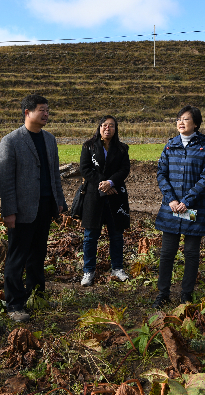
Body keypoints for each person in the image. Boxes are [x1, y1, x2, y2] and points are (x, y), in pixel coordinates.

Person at [0, 94, 66, 322]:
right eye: (41, 110)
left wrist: (59, 200)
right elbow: (6, 180)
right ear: (27, 112)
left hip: (44, 206)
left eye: (47, 110)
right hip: (22, 210)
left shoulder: (49, 139)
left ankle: (37, 296)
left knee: (38, 255)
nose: (46, 114)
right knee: (17, 257)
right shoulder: (11, 141)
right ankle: (14, 303)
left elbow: (54, 173)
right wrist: (9, 211)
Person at [154, 106, 205, 308]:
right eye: (179, 119)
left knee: (191, 253)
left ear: (196, 124)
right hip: (172, 207)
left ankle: (186, 294)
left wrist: (186, 201)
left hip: (193, 208)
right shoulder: (170, 146)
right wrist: (171, 200)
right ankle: (163, 293)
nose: (181, 122)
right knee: (167, 252)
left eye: (186, 119)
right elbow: (161, 173)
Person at [79, 115, 131, 286]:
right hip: (94, 196)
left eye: (111, 125)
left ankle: (117, 268)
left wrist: (111, 182)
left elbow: (125, 169)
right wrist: (104, 183)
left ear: (116, 129)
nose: (108, 128)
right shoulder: (88, 146)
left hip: (116, 196)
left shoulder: (122, 148)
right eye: (104, 125)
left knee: (116, 235)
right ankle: (88, 270)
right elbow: (85, 169)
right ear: (99, 127)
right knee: (90, 236)